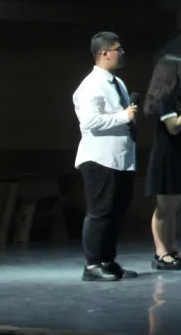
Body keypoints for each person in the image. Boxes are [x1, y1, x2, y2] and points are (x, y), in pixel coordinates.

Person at [73, 31, 138, 282]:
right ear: (104, 53)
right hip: (99, 158)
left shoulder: (117, 82)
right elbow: (90, 122)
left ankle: (108, 260)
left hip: (120, 158)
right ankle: (92, 264)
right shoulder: (91, 85)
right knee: (100, 212)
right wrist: (124, 116)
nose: (122, 53)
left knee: (116, 212)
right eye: (118, 49)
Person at [144, 55, 181, 270]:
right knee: (163, 207)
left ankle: (172, 249)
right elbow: (173, 126)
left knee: (174, 206)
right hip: (166, 158)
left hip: (180, 156)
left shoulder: (179, 96)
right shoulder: (164, 98)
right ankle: (160, 252)